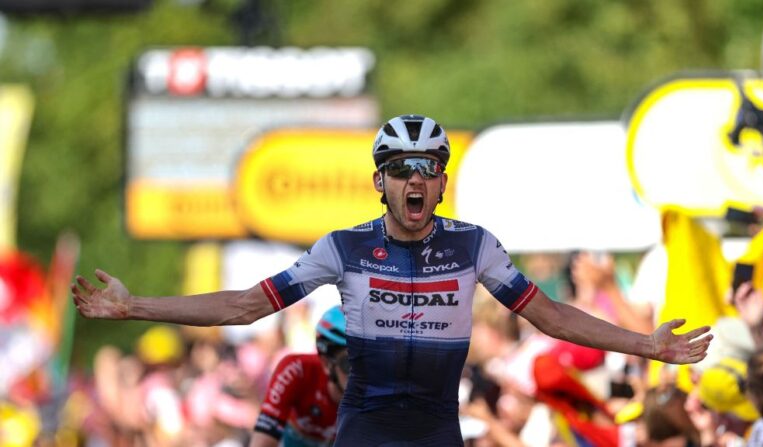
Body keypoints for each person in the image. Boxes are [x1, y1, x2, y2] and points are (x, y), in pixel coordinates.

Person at [72, 114, 713, 446]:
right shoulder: (343, 249)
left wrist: (646, 344)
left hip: (436, 428)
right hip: (366, 429)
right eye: (400, 168)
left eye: (428, 168)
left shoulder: (474, 245)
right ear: (380, 181)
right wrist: (137, 308)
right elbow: (245, 306)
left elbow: (549, 315)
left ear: (439, 182)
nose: (414, 179)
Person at [250, 305, 349, 447]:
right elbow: (261, 443)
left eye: (368, 360)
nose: (363, 371)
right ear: (327, 364)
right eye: (349, 363)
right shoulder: (296, 370)